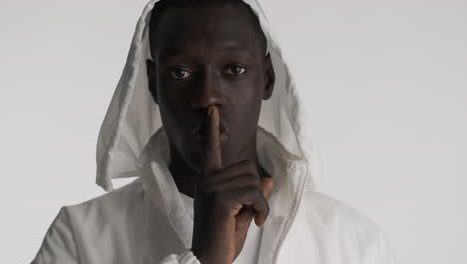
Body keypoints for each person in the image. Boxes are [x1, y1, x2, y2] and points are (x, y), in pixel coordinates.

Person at [32, 0, 397, 263]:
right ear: (153, 86)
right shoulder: (81, 237)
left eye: (234, 69)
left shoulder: (354, 244)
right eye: (180, 73)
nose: (207, 97)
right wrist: (204, 260)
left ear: (267, 79)